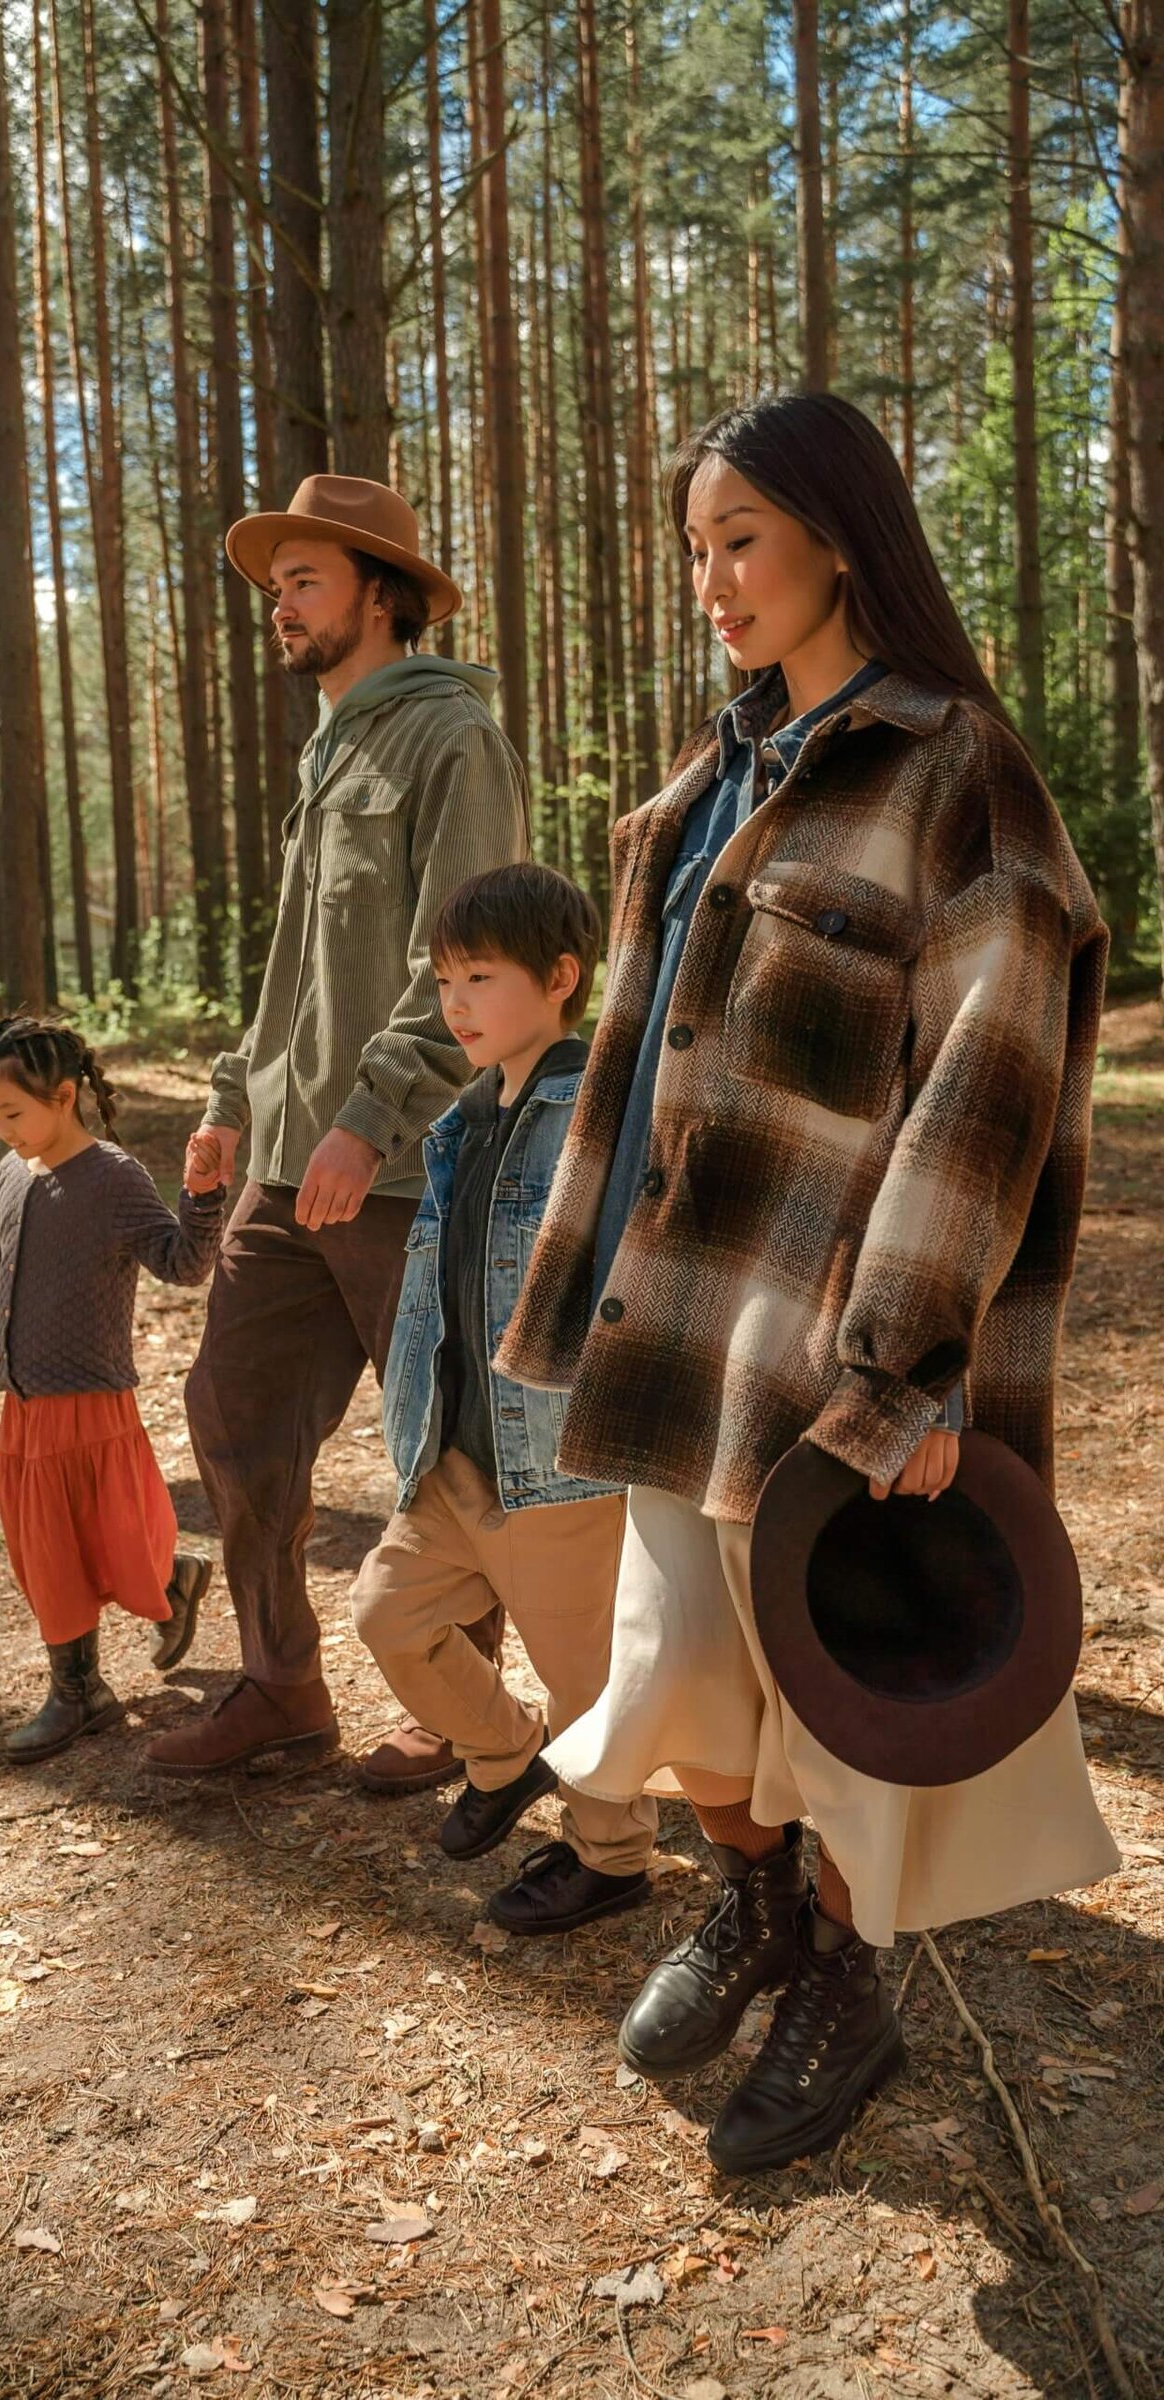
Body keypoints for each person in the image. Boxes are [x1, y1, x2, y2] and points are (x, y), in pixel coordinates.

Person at [496, 393, 1118, 2174]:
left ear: (842, 535)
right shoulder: (713, 783)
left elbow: (986, 1089)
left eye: (743, 538)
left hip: (846, 1349)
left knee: (839, 1706)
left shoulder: (954, 772)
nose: (713, 578)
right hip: (682, 1323)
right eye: (695, 547)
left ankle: (850, 1981)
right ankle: (752, 1904)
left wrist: (911, 1366)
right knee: (684, 1665)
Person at [143, 476, 529, 1781]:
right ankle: (282, 1685)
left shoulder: (450, 739)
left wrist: (374, 1115)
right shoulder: (330, 752)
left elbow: (470, 955)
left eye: (303, 581)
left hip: (406, 1166)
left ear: (382, 593)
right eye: (272, 589)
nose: (279, 608)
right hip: (283, 1160)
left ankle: (462, 1703)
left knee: (440, 1448)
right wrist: (227, 1101)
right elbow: (297, 969)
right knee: (233, 1415)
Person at [351, 864, 659, 1932]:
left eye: (480, 977)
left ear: (562, 977)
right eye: (444, 981)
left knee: (585, 1683)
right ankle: (501, 1752)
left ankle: (612, 1856)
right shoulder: (464, 1119)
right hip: (456, 1452)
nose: (456, 1003)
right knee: (386, 1613)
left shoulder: (600, 1117)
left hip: (559, 1459)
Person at [0, 1015, 228, 1762]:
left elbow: (183, 1263)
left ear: (63, 1096)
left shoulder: (111, 1177)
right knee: (50, 1552)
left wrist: (203, 1192)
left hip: (92, 1402)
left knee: (116, 1535)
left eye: (13, 1113)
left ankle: (169, 1578)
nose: (2, 1130)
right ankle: (80, 1690)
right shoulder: (9, 1175)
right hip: (25, 1408)